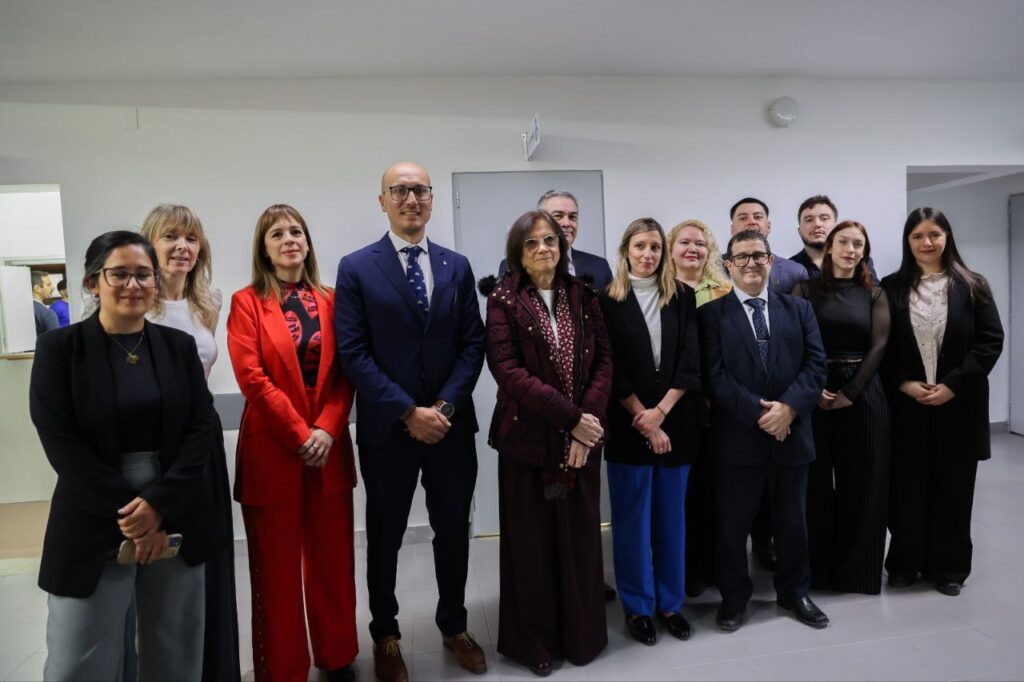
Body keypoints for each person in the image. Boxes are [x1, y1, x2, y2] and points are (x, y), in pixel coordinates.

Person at [29, 230, 228, 681]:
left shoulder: (177, 347)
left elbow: (200, 428)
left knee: (174, 652)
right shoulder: (60, 350)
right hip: (91, 509)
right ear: (92, 283)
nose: (133, 285)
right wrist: (135, 517)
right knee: (79, 658)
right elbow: (60, 441)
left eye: (144, 275)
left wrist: (159, 507)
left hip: (175, 509)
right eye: (119, 274)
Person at [334, 162, 486, 682]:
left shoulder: (456, 266)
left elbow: (473, 344)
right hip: (388, 432)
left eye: (420, 190)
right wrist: (406, 410)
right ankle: (386, 634)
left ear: (432, 199)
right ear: (382, 201)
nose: (411, 199)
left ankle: (454, 625)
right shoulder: (357, 268)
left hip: (450, 429)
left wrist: (442, 409)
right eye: (399, 190)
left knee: (453, 532)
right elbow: (354, 353)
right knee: (385, 536)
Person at [227, 204, 358, 682]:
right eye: (277, 233)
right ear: (264, 248)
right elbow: (251, 376)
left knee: (333, 562)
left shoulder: (333, 299)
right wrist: (301, 434)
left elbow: (347, 372)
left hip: (329, 448)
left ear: (307, 242)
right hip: (272, 450)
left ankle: (338, 656)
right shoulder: (246, 303)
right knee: (276, 570)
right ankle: (283, 669)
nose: (289, 240)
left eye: (296, 231)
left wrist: (327, 428)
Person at [482, 209, 612, 675]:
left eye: (551, 240)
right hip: (528, 441)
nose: (543, 249)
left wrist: (586, 425)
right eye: (532, 242)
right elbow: (508, 371)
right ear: (517, 252)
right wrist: (572, 419)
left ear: (563, 246)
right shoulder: (503, 299)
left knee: (579, 542)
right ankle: (532, 640)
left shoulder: (584, 295)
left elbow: (604, 362)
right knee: (531, 546)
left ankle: (581, 636)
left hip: (582, 444)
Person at [699, 229, 828, 632]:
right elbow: (715, 377)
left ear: (771, 261)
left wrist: (788, 409)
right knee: (733, 526)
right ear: (728, 265)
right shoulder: (711, 315)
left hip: (793, 435)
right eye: (742, 257)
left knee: (793, 524)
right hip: (738, 438)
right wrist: (762, 415)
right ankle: (734, 598)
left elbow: (816, 366)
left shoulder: (799, 310)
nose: (751, 263)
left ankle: (795, 593)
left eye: (758, 255)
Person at [881, 207, 1003, 597]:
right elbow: (882, 347)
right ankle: (905, 564)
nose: (927, 242)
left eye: (934, 234)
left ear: (947, 237)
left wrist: (952, 385)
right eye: (917, 236)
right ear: (908, 241)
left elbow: (990, 342)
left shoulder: (973, 285)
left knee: (954, 490)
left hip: (959, 406)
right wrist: (904, 384)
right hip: (908, 407)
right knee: (907, 490)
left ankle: (950, 567)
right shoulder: (891, 287)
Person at [141, 204, 240, 681]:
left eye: (191, 238)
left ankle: (215, 667)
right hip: (153, 444)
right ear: (150, 244)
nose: (182, 246)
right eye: (170, 237)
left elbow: (202, 375)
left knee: (209, 553)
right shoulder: (138, 304)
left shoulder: (208, 303)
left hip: (202, 443)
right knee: (164, 566)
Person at [601, 218, 700, 646]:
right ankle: (638, 607)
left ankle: (670, 604)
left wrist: (661, 412)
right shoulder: (606, 300)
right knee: (631, 524)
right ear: (626, 250)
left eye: (655, 247)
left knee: (672, 522)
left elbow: (690, 361)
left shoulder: (683, 296)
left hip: (676, 422)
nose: (648, 254)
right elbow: (609, 367)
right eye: (640, 246)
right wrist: (644, 416)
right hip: (629, 426)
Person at [792, 221, 890, 594]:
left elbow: (879, 345)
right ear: (830, 247)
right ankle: (817, 572)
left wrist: (851, 390)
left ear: (865, 252)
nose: (851, 249)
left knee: (863, 483)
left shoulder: (874, 293)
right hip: (813, 388)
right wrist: (812, 388)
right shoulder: (805, 289)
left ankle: (857, 573)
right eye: (844, 242)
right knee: (814, 485)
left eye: (858, 244)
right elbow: (796, 340)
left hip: (862, 389)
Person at [667, 219, 731, 597]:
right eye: (685, 242)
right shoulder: (659, 293)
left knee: (715, 492)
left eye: (701, 243)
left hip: (718, 409)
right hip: (675, 408)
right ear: (671, 249)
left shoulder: (724, 292)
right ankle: (685, 571)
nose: (693, 249)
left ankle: (716, 568)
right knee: (682, 496)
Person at [499, 189, 613, 292]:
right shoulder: (512, 265)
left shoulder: (599, 266)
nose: (567, 223)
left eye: (572, 217)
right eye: (558, 216)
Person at [789, 195, 878, 282]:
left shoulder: (857, 260)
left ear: (836, 228)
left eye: (824, 218)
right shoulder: (788, 268)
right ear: (799, 231)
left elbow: (874, 290)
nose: (817, 224)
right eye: (809, 220)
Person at [32, 270, 60, 336]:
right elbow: (56, 340)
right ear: (37, 288)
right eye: (48, 284)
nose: (53, 288)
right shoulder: (47, 314)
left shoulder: (21, 310)